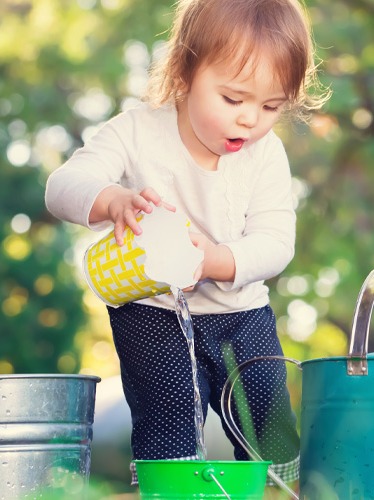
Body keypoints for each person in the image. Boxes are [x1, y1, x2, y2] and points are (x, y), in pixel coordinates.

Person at [44, 0, 328, 489]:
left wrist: (213, 260)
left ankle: (279, 491)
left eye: (270, 106)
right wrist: (111, 199)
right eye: (234, 99)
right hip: (152, 311)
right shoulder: (135, 131)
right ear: (185, 73)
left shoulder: (265, 155)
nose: (250, 121)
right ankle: (172, 490)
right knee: (169, 414)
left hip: (241, 312)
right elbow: (60, 187)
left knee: (268, 416)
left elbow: (277, 242)